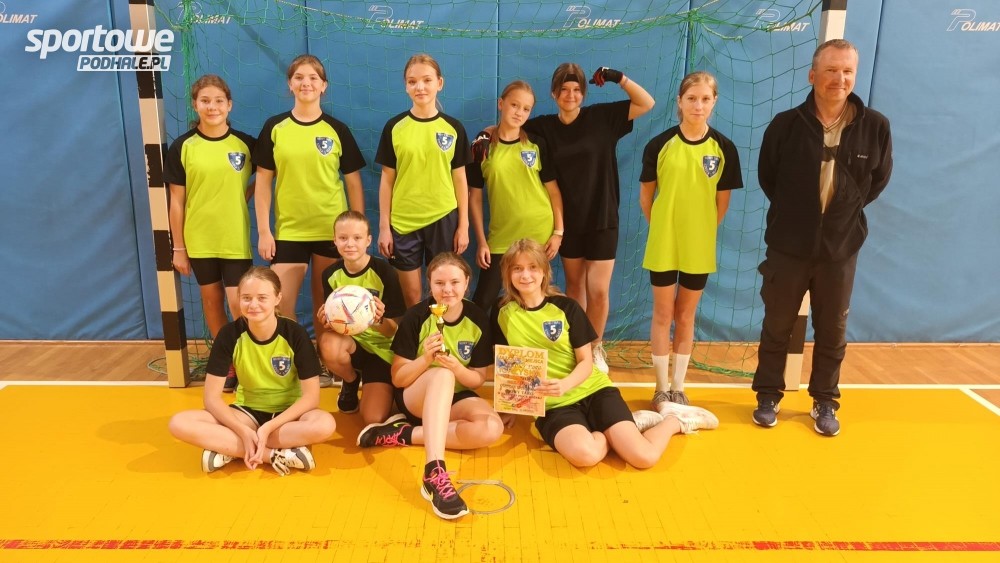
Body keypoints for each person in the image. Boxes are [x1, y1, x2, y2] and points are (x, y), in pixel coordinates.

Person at [751, 39, 893, 436]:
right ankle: (768, 395)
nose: (839, 78)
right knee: (777, 324)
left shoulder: (876, 126)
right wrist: (801, 217)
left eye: (847, 71)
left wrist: (840, 214)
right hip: (788, 246)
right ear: (812, 75)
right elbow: (769, 177)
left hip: (840, 249)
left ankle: (825, 401)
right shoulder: (785, 125)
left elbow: (877, 180)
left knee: (832, 330)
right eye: (831, 70)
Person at [493, 239, 718, 469]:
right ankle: (624, 428)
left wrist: (565, 384)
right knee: (586, 456)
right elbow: (508, 367)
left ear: (544, 271)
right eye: (517, 268)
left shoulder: (566, 308)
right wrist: (509, 406)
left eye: (532, 267)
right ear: (508, 274)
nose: (525, 275)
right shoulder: (502, 314)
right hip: (553, 406)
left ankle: (673, 420)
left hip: (594, 391)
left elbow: (586, 362)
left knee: (644, 458)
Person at [524, 63, 655, 373]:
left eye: (576, 90)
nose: (570, 95)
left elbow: (646, 103)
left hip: (602, 218)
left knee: (598, 290)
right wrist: (484, 135)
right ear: (554, 94)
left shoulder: (602, 118)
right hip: (568, 224)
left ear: (584, 93)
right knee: (575, 289)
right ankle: (578, 348)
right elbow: (509, 127)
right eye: (564, 90)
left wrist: (618, 78)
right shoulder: (543, 127)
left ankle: (595, 348)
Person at [356, 252, 503, 520]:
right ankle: (434, 472)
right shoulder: (417, 316)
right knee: (442, 376)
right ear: (430, 284)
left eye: (455, 282)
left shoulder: (477, 318)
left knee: (492, 428)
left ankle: (404, 434)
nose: (447, 290)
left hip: (456, 395)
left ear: (467, 283)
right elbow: (399, 378)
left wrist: (458, 368)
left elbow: (478, 379)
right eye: (439, 283)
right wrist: (426, 358)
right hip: (417, 396)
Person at [639, 71, 743, 409]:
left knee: (685, 315)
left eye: (705, 99)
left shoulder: (724, 148)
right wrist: (664, 228)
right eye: (691, 98)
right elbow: (646, 197)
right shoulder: (660, 145)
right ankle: (660, 387)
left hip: (698, 247)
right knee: (662, 313)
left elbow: (721, 203)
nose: (698, 105)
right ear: (680, 102)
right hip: (663, 244)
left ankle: (678, 386)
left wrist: (698, 231)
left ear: (714, 103)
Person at [168, 267, 336, 475]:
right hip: (246, 413)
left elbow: (311, 398)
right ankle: (273, 455)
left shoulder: (295, 334)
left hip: (288, 416)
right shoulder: (229, 335)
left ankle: (229, 447)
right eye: (246, 298)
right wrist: (242, 430)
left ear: (277, 298)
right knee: (179, 423)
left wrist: (268, 427)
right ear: (238, 298)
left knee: (324, 424)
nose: (253, 304)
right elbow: (211, 398)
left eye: (262, 298)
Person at [254, 54, 366, 337]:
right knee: (281, 306)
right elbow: (263, 182)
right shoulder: (274, 128)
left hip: (332, 231)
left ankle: (327, 358)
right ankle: (297, 357)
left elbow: (353, 183)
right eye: (299, 77)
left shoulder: (337, 129)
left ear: (323, 85)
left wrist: (358, 230)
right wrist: (264, 231)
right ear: (290, 84)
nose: (306, 83)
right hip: (290, 230)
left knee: (329, 308)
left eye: (313, 78)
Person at [164, 74, 256, 392]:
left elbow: (268, 176)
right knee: (212, 300)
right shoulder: (183, 147)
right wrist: (178, 248)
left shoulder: (245, 144)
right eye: (205, 100)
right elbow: (177, 202)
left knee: (238, 303)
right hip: (199, 238)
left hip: (234, 238)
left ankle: (249, 360)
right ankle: (228, 363)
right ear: (195, 105)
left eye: (218, 101)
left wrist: (243, 196)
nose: (212, 106)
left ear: (229, 105)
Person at [376, 54, 471, 307]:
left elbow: (460, 179)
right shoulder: (394, 127)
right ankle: (417, 335)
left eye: (427, 80)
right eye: (412, 81)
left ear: (439, 83)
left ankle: (442, 334)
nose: (420, 87)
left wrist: (463, 225)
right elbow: (387, 180)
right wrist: (384, 227)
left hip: (444, 218)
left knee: (443, 294)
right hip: (403, 221)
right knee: (412, 297)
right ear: (406, 86)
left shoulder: (453, 128)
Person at [468, 80, 564, 313]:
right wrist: (481, 241)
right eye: (514, 105)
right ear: (501, 104)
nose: (519, 112)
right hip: (501, 235)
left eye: (526, 108)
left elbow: (553, 191)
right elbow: (475, 197)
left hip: (538, 232)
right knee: (483, 301)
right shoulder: (482, 147)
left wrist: (558, 232)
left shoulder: (536, 144)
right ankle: (484, 339)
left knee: (531, 298)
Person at [317, 211, 404, 424]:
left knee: (372, 417)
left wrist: (378, 320)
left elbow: (394, 330)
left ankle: (387, 388)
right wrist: (329, 322)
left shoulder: (384, 271)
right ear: (334, 240)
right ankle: (351, 380)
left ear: (368, 240)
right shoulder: (330, 275)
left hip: (383, 350)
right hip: (354, 346)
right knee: (327, 342)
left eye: (357, 237)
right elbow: (336, 327)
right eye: (343, 238)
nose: (350, 244)